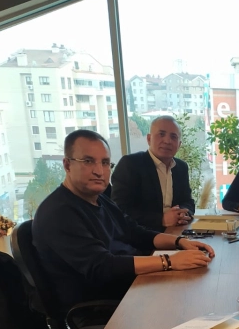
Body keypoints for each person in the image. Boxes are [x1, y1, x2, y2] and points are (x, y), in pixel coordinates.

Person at [33, 129, 214, 315]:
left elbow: (134, 232)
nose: (98, 171)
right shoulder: (58, 212)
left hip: (133, 287)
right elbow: (102, 266)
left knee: (203, 291)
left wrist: (179, 242)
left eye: (105, 163)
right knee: (196, 306)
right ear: (67, 165)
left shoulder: (101, 199)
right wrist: (169, 261)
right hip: (104, 308)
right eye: (88, 161)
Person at [111, 115, 195, 232]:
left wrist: (183, 213)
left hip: (175, 231)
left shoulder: (181, 167)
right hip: (140, 236)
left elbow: (188, 201)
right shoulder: (130, 164)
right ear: (149, 139)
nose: (167, 141)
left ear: (179, 144)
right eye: (161, 134)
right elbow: (119, 210)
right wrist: (161, 219)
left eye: (173, 137)